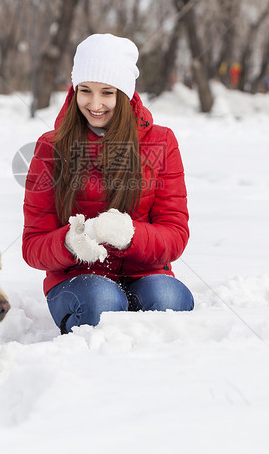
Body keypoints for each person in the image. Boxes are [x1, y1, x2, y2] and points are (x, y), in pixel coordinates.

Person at [22, 33, 193, 334]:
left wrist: (131, 236)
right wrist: (69, 243)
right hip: (78, 280)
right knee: (102, 300)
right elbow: (33, 245)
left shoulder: (161, 142)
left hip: (147, 273)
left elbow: (175, 234)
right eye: (85, 90)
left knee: (170, 299)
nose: (95, 104)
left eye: (107, 93)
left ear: (124, 95)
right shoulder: (51, 147)